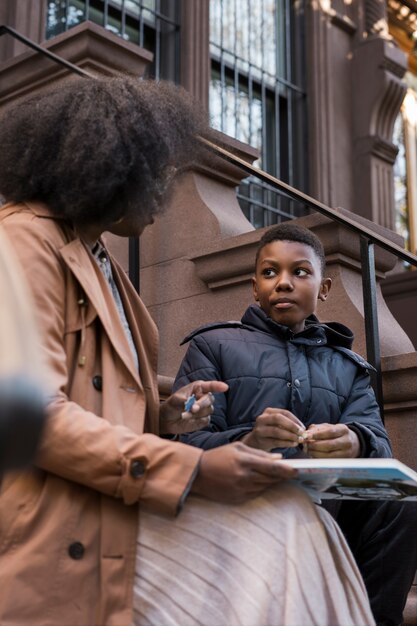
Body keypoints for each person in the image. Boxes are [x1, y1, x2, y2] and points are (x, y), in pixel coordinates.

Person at [0, 76, 375, 626]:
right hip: (58, 521)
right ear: (110, 163)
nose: (164, 192)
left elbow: (92, 396)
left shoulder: (100, 262)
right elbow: (27, 416)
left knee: (295, 519)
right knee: (283, 529)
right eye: (156, 172)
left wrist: (163, 413)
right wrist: (196, 468)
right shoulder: (23, 243)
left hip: (110, 497)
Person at [175, 222, 417, 626]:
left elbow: (379, 445)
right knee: (304, 496)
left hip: (330, 500)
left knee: (404, 497)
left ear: (324, 288)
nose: (283, 283)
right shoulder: (212, 345)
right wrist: (252, 439)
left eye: (299, 272)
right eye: (270, 273)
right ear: (254, 287)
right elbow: (187, 444)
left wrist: (355, 441)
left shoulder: (348, 366)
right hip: (244, 493)